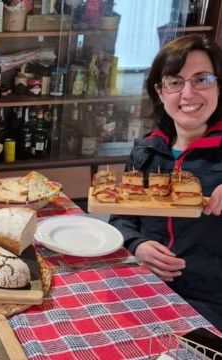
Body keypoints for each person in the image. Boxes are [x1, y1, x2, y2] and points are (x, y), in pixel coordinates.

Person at [109, 34, 222, 330]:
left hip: (210, 304)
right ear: (160, 91)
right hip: (143, 285)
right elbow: (121, 217)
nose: (188, 94)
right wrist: (138, 244)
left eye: (202, 79)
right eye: (175, 82)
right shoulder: (147, 150)